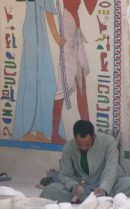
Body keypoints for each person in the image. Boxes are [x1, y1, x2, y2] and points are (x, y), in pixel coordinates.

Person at [40, 120, 130, 203]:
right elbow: (65, 175)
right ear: (75, 139)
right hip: (83, 187)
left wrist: (104, 188)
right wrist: (74, 186)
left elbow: (111, 169)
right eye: (80, 145)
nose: (83, 148)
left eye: (87, 144)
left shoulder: (109, 142)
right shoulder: (69, 147)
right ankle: (96, 200)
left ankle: (98, 198)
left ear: (94, 137)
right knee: (50, 190)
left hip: (109, 184)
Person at [13, 0, 65, 143]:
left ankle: (41, 130)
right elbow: (48, 12)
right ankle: (25, 129)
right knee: (30, 82)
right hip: (33, 35)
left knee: (42, 83)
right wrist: (56, 37)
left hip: (38, 34)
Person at [51, 0, 97, 144]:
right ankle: (54, 134)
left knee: (81, 82)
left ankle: (89, 129)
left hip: (75, 30)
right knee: (63, 84)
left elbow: (90, 8)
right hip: (68, 29)